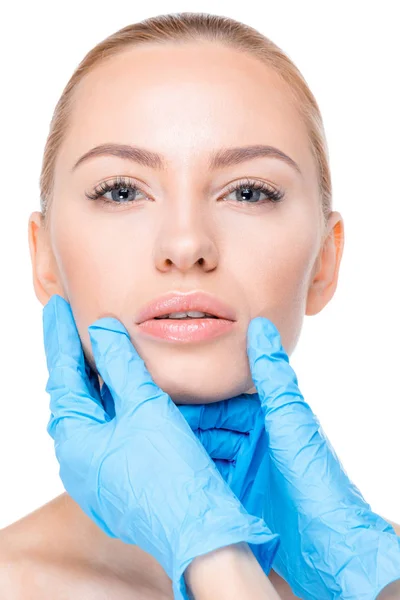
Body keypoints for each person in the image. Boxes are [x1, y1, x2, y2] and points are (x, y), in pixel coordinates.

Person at [1, 11, 399, 599]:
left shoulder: (375, 573)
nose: (186, 245)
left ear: (325, 261)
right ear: (45, 259)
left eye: (248, 191)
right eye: (121, 190)